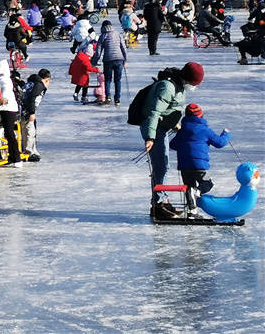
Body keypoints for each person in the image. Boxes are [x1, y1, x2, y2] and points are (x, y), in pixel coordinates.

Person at [137, 62, 205, 219]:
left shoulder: (178, 84)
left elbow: (170, 108)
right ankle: (159, 205)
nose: (193, 87)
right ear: (188, 79)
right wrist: (150, 137)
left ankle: (162, 201)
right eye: (194, 83)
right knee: (161, 166)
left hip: (162, 128)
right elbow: (154, 112)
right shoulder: (167, 87)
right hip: (155, 130)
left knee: (163, 166)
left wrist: (175, 124)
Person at [169, 103, 232, 211]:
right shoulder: (205, 130)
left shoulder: (182, 130)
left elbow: (173, 145)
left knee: (189, 187)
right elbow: (220, 143)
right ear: (200, 116)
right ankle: (197, 192)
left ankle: (192, 211)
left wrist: (179, 134)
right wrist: (226, 134)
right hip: (199, 166)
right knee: (208, 183)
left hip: (184, 166)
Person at [94, 20, 128, 106]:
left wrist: (94, 62)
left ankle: (108, 97)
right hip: (119, 59)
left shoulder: (103, 36)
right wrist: (125, 60)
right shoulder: (118, 34)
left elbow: (98, 51)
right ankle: (117, 99)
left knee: (108, 80)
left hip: (108, 60)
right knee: (118, 80)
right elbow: (124, 48)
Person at [20, 69, 51, 162]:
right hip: (26, 110)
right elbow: (32, 98)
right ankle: (29, 152)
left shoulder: (31, 83)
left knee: (24, 129)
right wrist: (32, 112)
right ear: (47, 79)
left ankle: (25, 149)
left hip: (20, 108)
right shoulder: (39, 85)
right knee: (30, 130)